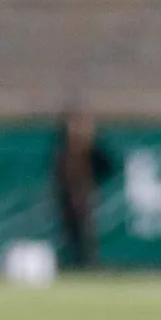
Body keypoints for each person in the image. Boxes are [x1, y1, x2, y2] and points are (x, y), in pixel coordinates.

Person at [54, 107, 115, 267]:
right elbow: (59, 172)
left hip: (84, 193)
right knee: (69, 231)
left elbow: (106, 166)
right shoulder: (64, 146)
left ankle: (89, 262)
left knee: (86, 230)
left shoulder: (91, 146)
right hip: (67, 194)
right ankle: (73, 262)